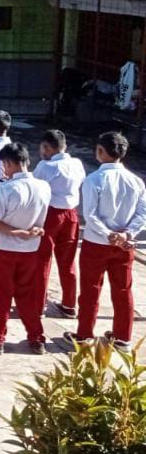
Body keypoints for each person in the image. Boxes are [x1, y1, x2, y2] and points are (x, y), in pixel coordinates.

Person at [64, 132, 146, 350]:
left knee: (91, 289)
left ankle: (84, 334)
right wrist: (126, 234)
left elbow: (90, 215)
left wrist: (109, 234)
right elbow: (142, 213)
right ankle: (122, 337)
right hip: (123, 244)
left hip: (97, 243)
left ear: (100, 151)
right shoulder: (136, 181)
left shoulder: (94, 180)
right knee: (123, 290)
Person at [0, 144, 50, 355]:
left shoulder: (6, 188)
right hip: (30, 248)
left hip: (4, 248)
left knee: (0, 295)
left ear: (8, 163)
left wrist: (14, 231)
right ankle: (36, 337)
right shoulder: (43, 186)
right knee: (27, 295)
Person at [33, 130, 84, 317]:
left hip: (51, 214)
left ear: (47, 147)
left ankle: (38, 304)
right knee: (68, 261)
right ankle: (70, 304)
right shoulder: (76, 163)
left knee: (42, 260)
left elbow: (36, 188)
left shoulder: (46, 166)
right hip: (71, 214)